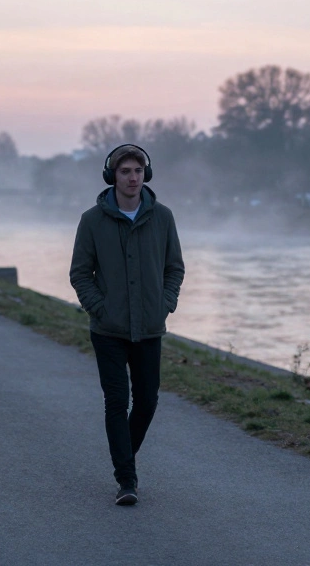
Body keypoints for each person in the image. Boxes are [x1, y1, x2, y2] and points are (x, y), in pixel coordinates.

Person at [69, 144, 184, 507]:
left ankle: (123, 457)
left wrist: (165, 305)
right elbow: (79, 273)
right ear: (112, 177)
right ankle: (127, 479)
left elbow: (174, 268)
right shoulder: (92, 220)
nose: (132, 177)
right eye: (124, 172)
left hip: (149, 328)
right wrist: (99, 309)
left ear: (145, 175)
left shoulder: (163, 217)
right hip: (108, 330)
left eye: (137, 171)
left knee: (147, 401)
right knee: (117, 401)